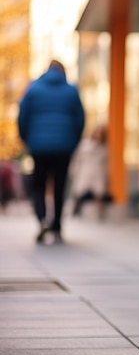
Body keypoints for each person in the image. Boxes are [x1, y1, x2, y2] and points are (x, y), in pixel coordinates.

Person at [18, 60, 85, 243]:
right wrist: (73, 141)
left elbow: (22, 115)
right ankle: (56, 225)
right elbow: (80, 119)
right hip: (64, 147)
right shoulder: (71, 90)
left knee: (38, 185)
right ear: (62, 72)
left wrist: (27, 139)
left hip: (38, 146)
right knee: (59, 186)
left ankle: (41, 220)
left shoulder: (33, 89)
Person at [69, 125, 109, 219]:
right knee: (78, 192)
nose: (98, 135)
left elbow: (105, 164)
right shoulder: (84, 145)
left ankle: (98, 214)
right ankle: (74, 210)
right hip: (85, 171)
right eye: (97, 132)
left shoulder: (104, 148)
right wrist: (73, 171)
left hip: (98, 172)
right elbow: (77, 159)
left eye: (100, 133)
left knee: (99, 193)